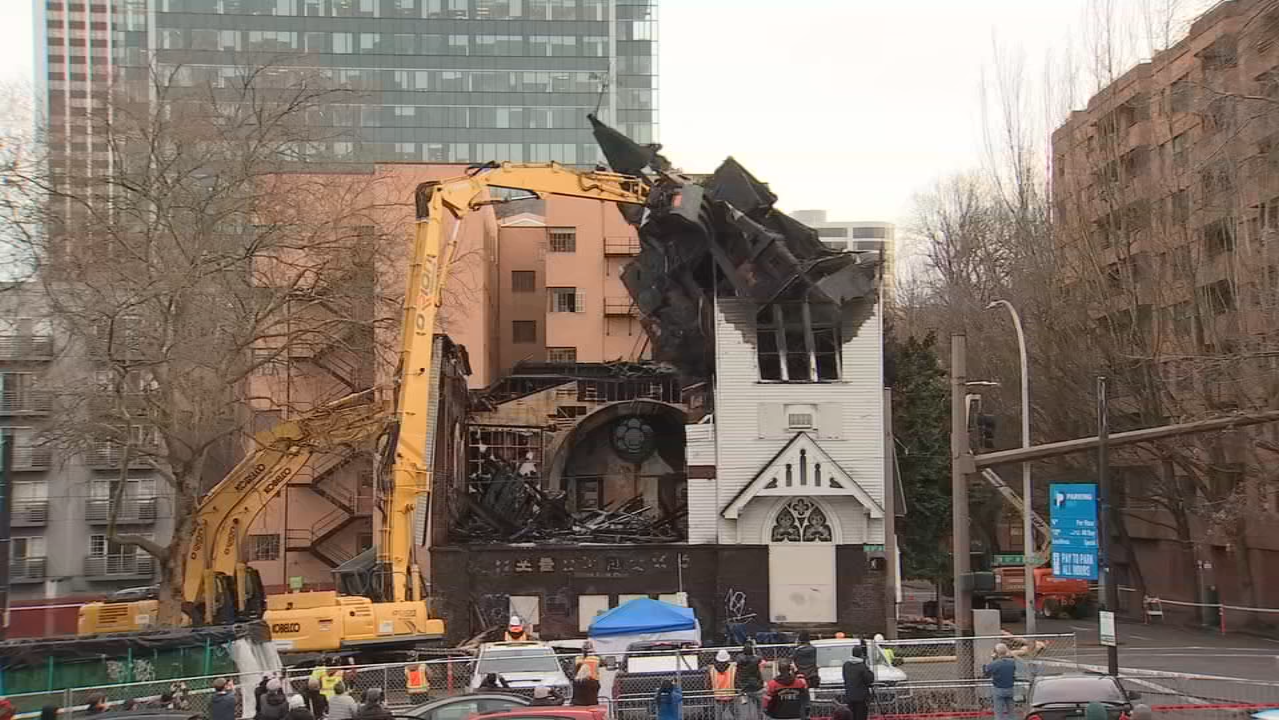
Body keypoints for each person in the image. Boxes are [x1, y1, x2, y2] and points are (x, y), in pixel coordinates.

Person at [982, 643, 1017, 720]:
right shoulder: (1012, 662)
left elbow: (986, 674)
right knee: (1011, 711)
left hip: (998, 689)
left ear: (996, 653)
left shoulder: (994, 664)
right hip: (1010, 688)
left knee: (999, 713)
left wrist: (988, 662)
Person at [841, 646, 874, 720]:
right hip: (861, 698)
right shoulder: (862, 666)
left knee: (852, 716)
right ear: (861, 654)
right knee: (861, 716)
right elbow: (870, 679)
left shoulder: (846, 665)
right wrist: (866, 666)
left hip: (849, 696)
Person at [736, 640, 766, 720]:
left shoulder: (739, 660)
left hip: (744, 686)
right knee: (759, 706)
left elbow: (739, 657)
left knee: (748, 708)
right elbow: (760, 657)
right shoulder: (756, 660)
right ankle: (760, 718)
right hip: (757, 685)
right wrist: (755, 647)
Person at [709, 649, 738, 720]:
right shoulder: (733, 668)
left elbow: (708, 683)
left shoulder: (712, 669)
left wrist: (710, 692)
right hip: (730, 695)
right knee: (735, 715)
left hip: (718, 695)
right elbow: (737, 681)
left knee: (718, 716)